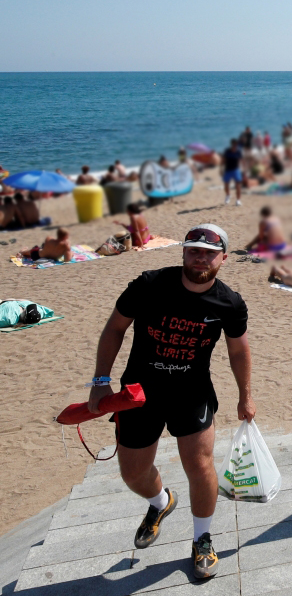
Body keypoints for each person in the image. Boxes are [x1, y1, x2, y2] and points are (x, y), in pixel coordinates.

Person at [86, 224, 252, 580]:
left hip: (191, 393)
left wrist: (245, 395)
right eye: (194, 250)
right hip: (138, 394)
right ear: (183, 253)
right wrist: (101, 381)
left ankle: (202, 539)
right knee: (133, 474)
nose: (201, 257)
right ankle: (161, 502)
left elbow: (238, 350)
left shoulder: (230, 303)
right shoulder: (148, 284)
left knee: (201, 464)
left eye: (209, 252)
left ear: (223, 257)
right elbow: (115, 328)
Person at [221, 139, 243, 206]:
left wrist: (244, 170)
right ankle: (228, 195)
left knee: (238, 185)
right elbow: (223, 160)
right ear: (231, 144)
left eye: (236, 144)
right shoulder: (227, 151)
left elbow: (241, 161)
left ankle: (238, 200)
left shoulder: (238, 152)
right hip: (228, 170)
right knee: (226, 185)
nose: (235, 146)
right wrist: (221, 169)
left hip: (236, 170)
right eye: (234, 144)